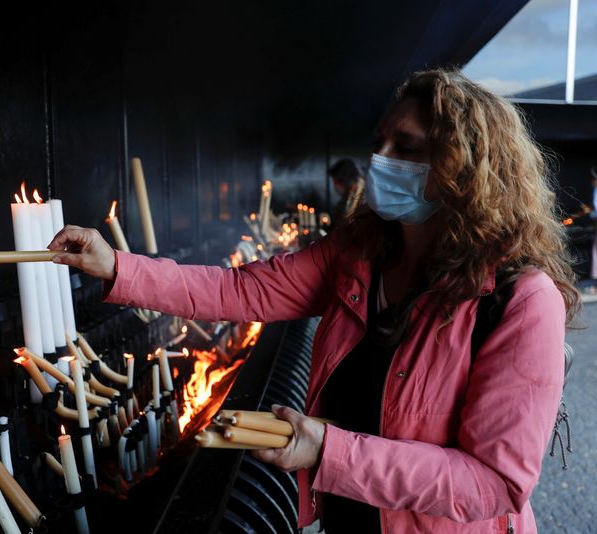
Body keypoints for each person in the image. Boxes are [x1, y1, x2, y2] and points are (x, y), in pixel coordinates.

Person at [48, 69, 579, 533]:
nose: (379, 160)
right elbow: (242, 290)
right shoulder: (359, 253)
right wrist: (116, 265)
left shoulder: (521, 300)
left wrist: (329, 450)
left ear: (465, 169)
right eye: (381, 142)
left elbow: (492, 483)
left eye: (407, 148)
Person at [328, 158, 365, 225]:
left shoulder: (362, 193)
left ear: (345, 180)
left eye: (337, 182)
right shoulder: (348, 194)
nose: (336, 186)